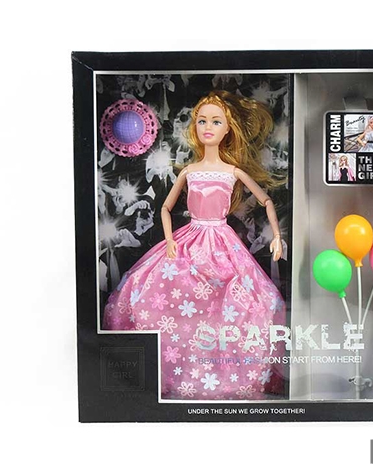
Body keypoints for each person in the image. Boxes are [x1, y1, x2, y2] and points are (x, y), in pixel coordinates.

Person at [103, 91, 287, 400]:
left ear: (227, 129)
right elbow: (165, 208)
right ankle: (175, 371)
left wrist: (278, 237)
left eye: (216, 122)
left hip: (222, 242)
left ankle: (225, 376)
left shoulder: (233, 172)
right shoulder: (189, 171)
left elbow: (266, 200)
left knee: (248, 303)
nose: (207, 128)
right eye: (202, 121)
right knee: (156, 293)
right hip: (189, 239)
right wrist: (170, 240)